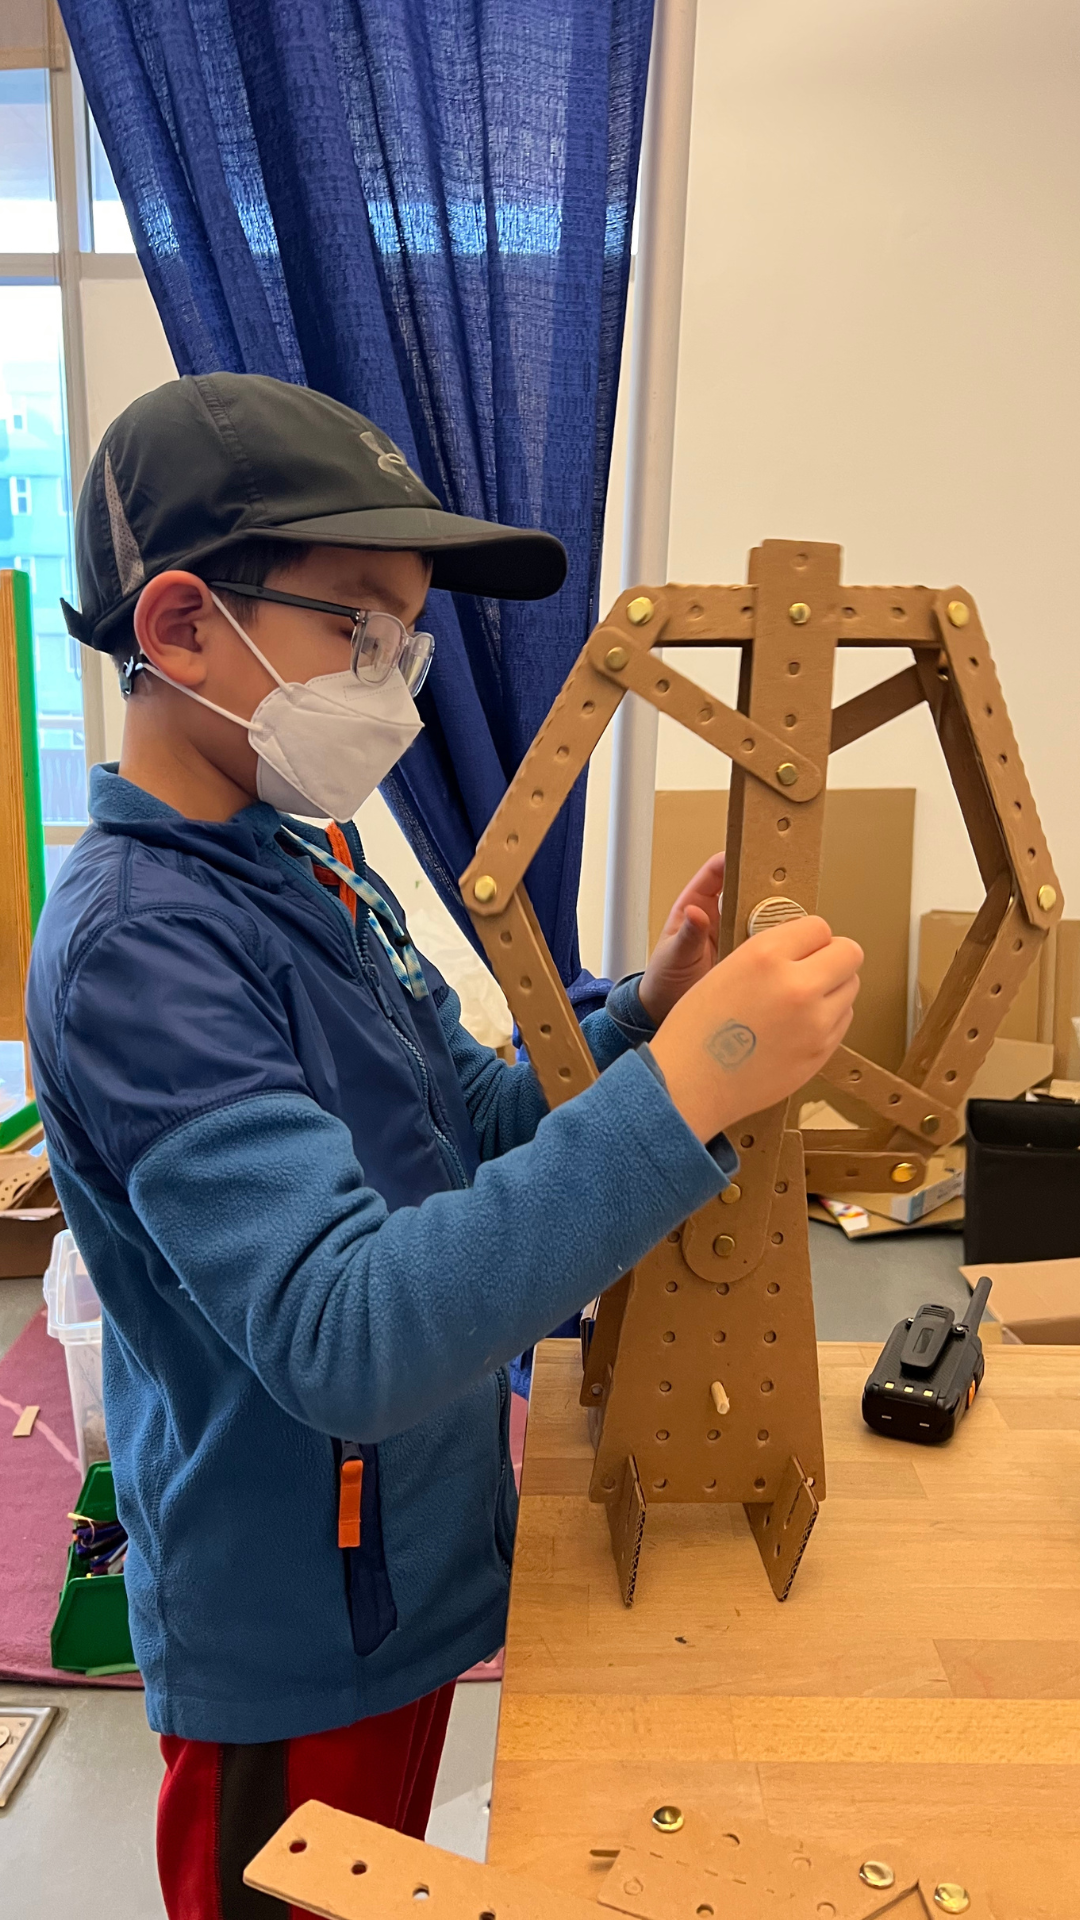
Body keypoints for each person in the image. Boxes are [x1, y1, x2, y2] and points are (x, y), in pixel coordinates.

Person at [26, 373, 862, 1919]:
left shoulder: (306, 861)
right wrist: (690, 1085)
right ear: (181, 628)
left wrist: (639, 1023)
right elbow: (346, 1332)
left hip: (405, 1579)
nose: (393, 679)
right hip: (288, 1638)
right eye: (356, 625)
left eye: (404, 635)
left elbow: (460, 1128)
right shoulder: (140, 951)